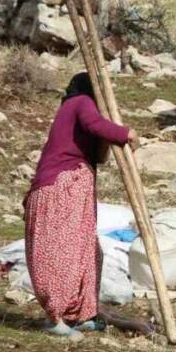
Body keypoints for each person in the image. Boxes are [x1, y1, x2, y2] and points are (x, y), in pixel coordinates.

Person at [23, 72, 138, 337]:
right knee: (59, 251)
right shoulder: (79, 102)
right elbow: (95, 125)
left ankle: (82, 313)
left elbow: (99, 149)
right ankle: (56, 319)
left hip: (74, 190)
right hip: (60, 187)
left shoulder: (77, 108)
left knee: (86, 250)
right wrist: (125, 133)